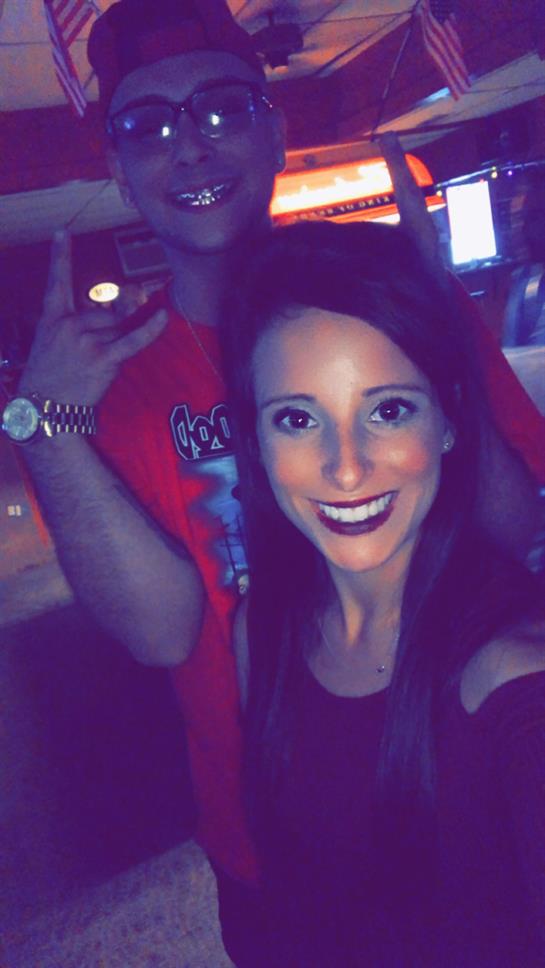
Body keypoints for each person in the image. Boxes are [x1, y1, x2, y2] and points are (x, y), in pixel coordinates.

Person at [2, 0, 543, 922]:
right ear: (119, 171)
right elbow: (161, 634)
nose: (190, 146)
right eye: (147, 124)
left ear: (275, 130)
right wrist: (43, 423)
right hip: (263, 819)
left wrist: (444, 333)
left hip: (453, 773)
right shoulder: (107, 379)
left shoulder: (397, 300)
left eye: (221, 109)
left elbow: (512, 529)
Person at [220, 220, 545, 967]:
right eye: (297, 419)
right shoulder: (261, 630)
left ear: (448, 419)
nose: (344, 467)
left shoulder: (512, 676)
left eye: (388, 409)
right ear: (256, 440)